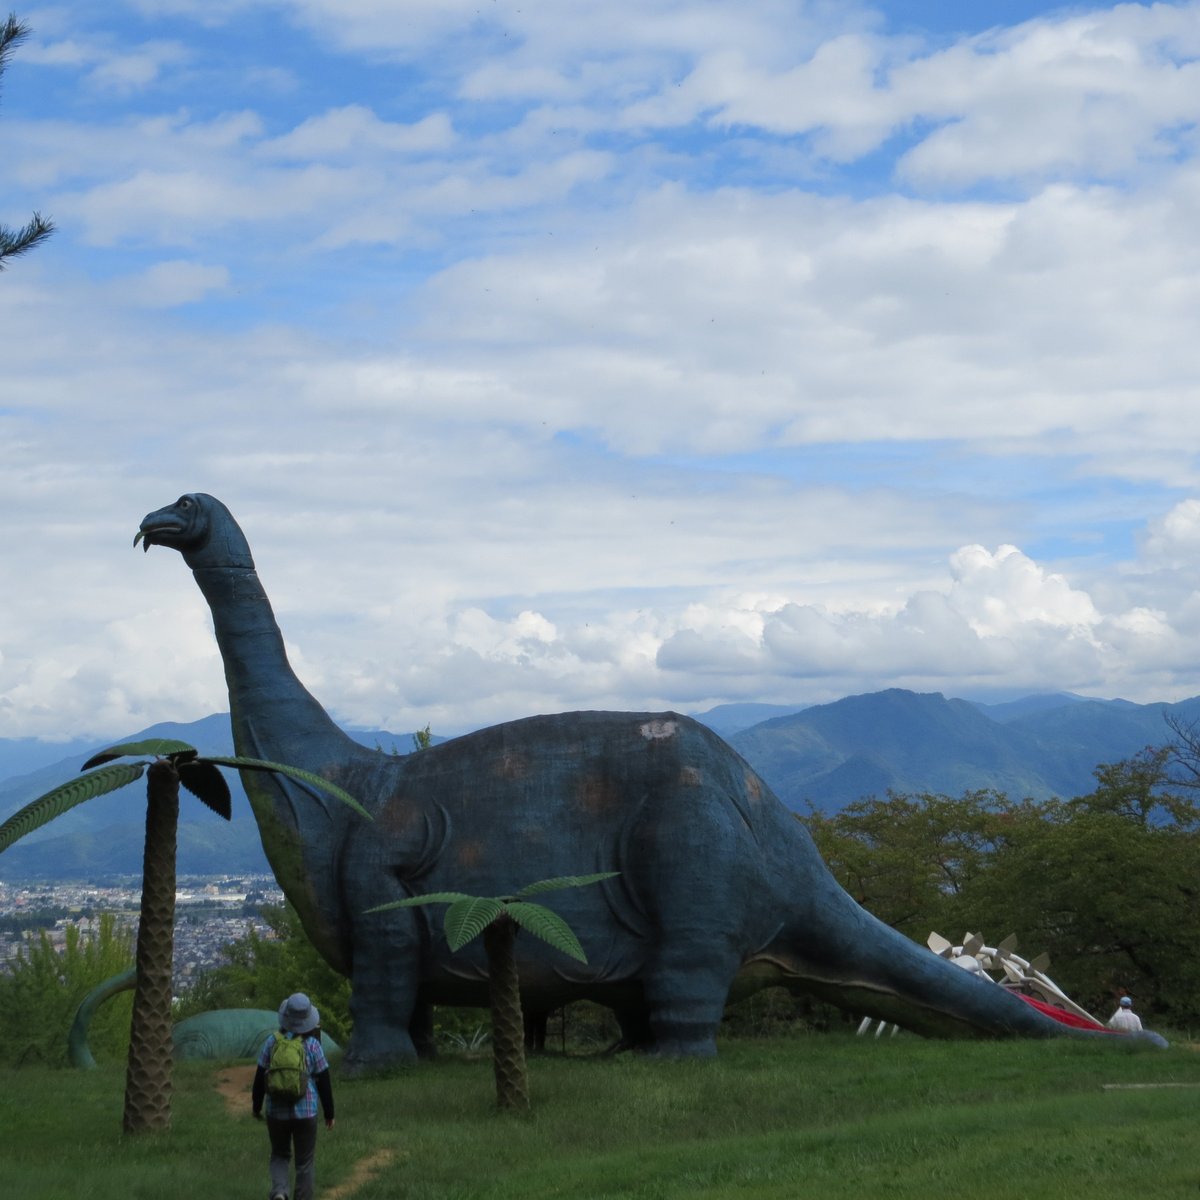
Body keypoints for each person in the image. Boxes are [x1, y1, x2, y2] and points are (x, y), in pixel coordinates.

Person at [252, 993, 335, 1200]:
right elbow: (324, 1081)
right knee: (304, 1162)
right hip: (306, 1112)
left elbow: (259, 1076)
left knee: (280, 1155)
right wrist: (329, 1113)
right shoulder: (313, 1045)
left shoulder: (272, 1042)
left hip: (276, 1112)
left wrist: (256, 1106)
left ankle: (280, 1191)